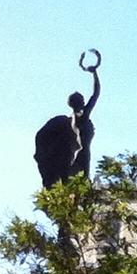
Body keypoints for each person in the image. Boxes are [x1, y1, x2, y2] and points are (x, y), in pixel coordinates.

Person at [32, 49, 102, 188]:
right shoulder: (81, 116)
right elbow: (96, 94)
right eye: (82, 99)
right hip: (82, 152)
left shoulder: (73, 117)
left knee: (77, 182)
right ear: (78, 103)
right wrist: (95, 73)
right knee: (82, 182)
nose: (84, 101)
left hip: (77, 152)